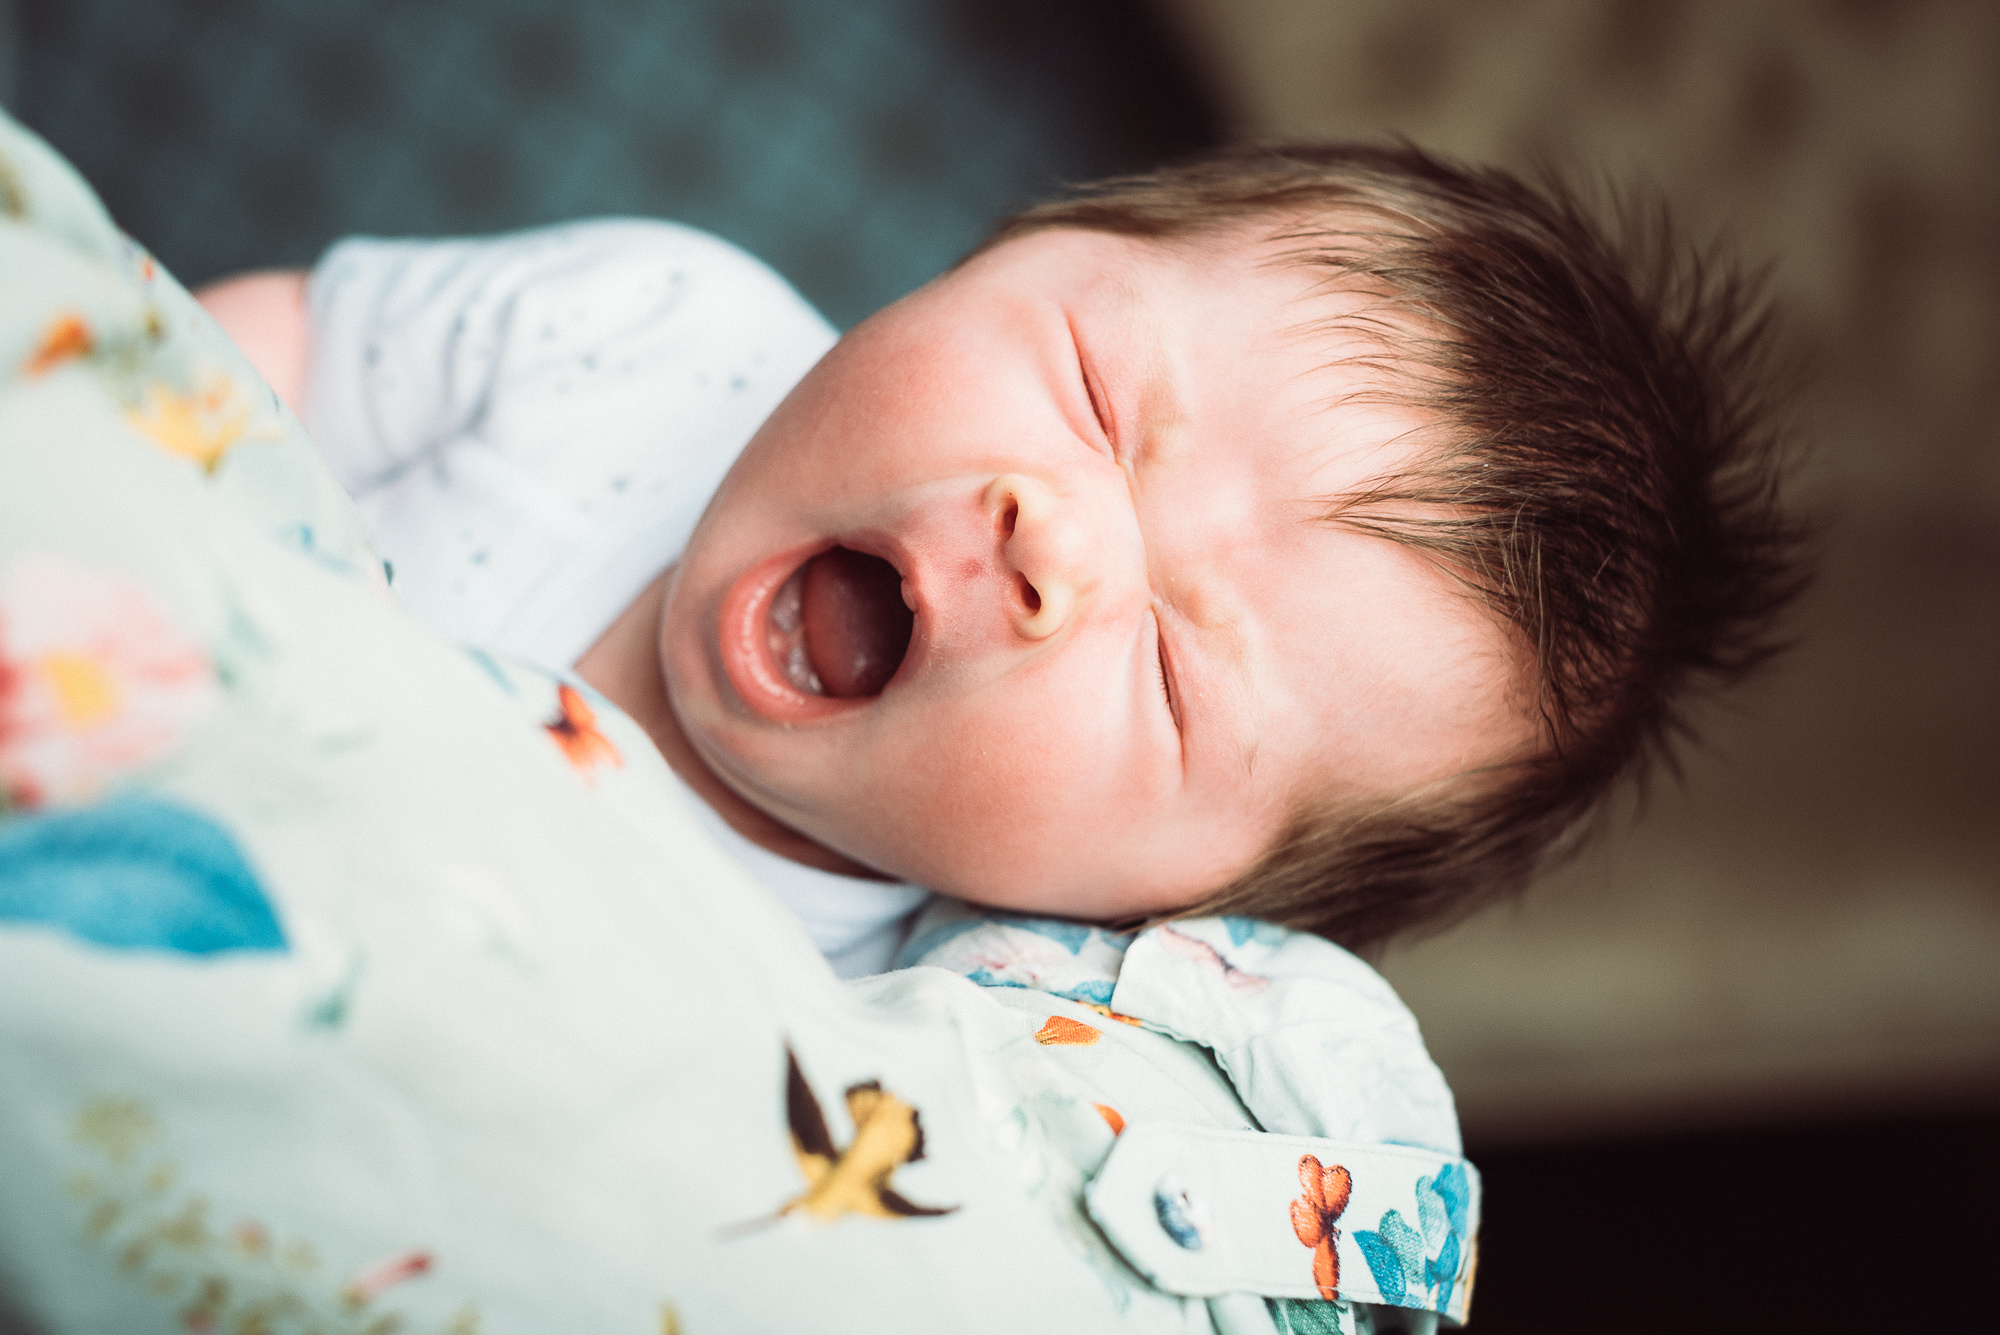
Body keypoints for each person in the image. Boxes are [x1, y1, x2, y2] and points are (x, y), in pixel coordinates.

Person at [196, 143, 1800, 984]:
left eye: (1174, 682)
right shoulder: (644, 329)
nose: (1058, 545)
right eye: (1098, 396)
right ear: (1006, 249)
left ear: (1157, 907)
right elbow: (238, 356)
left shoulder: (816, 1031)